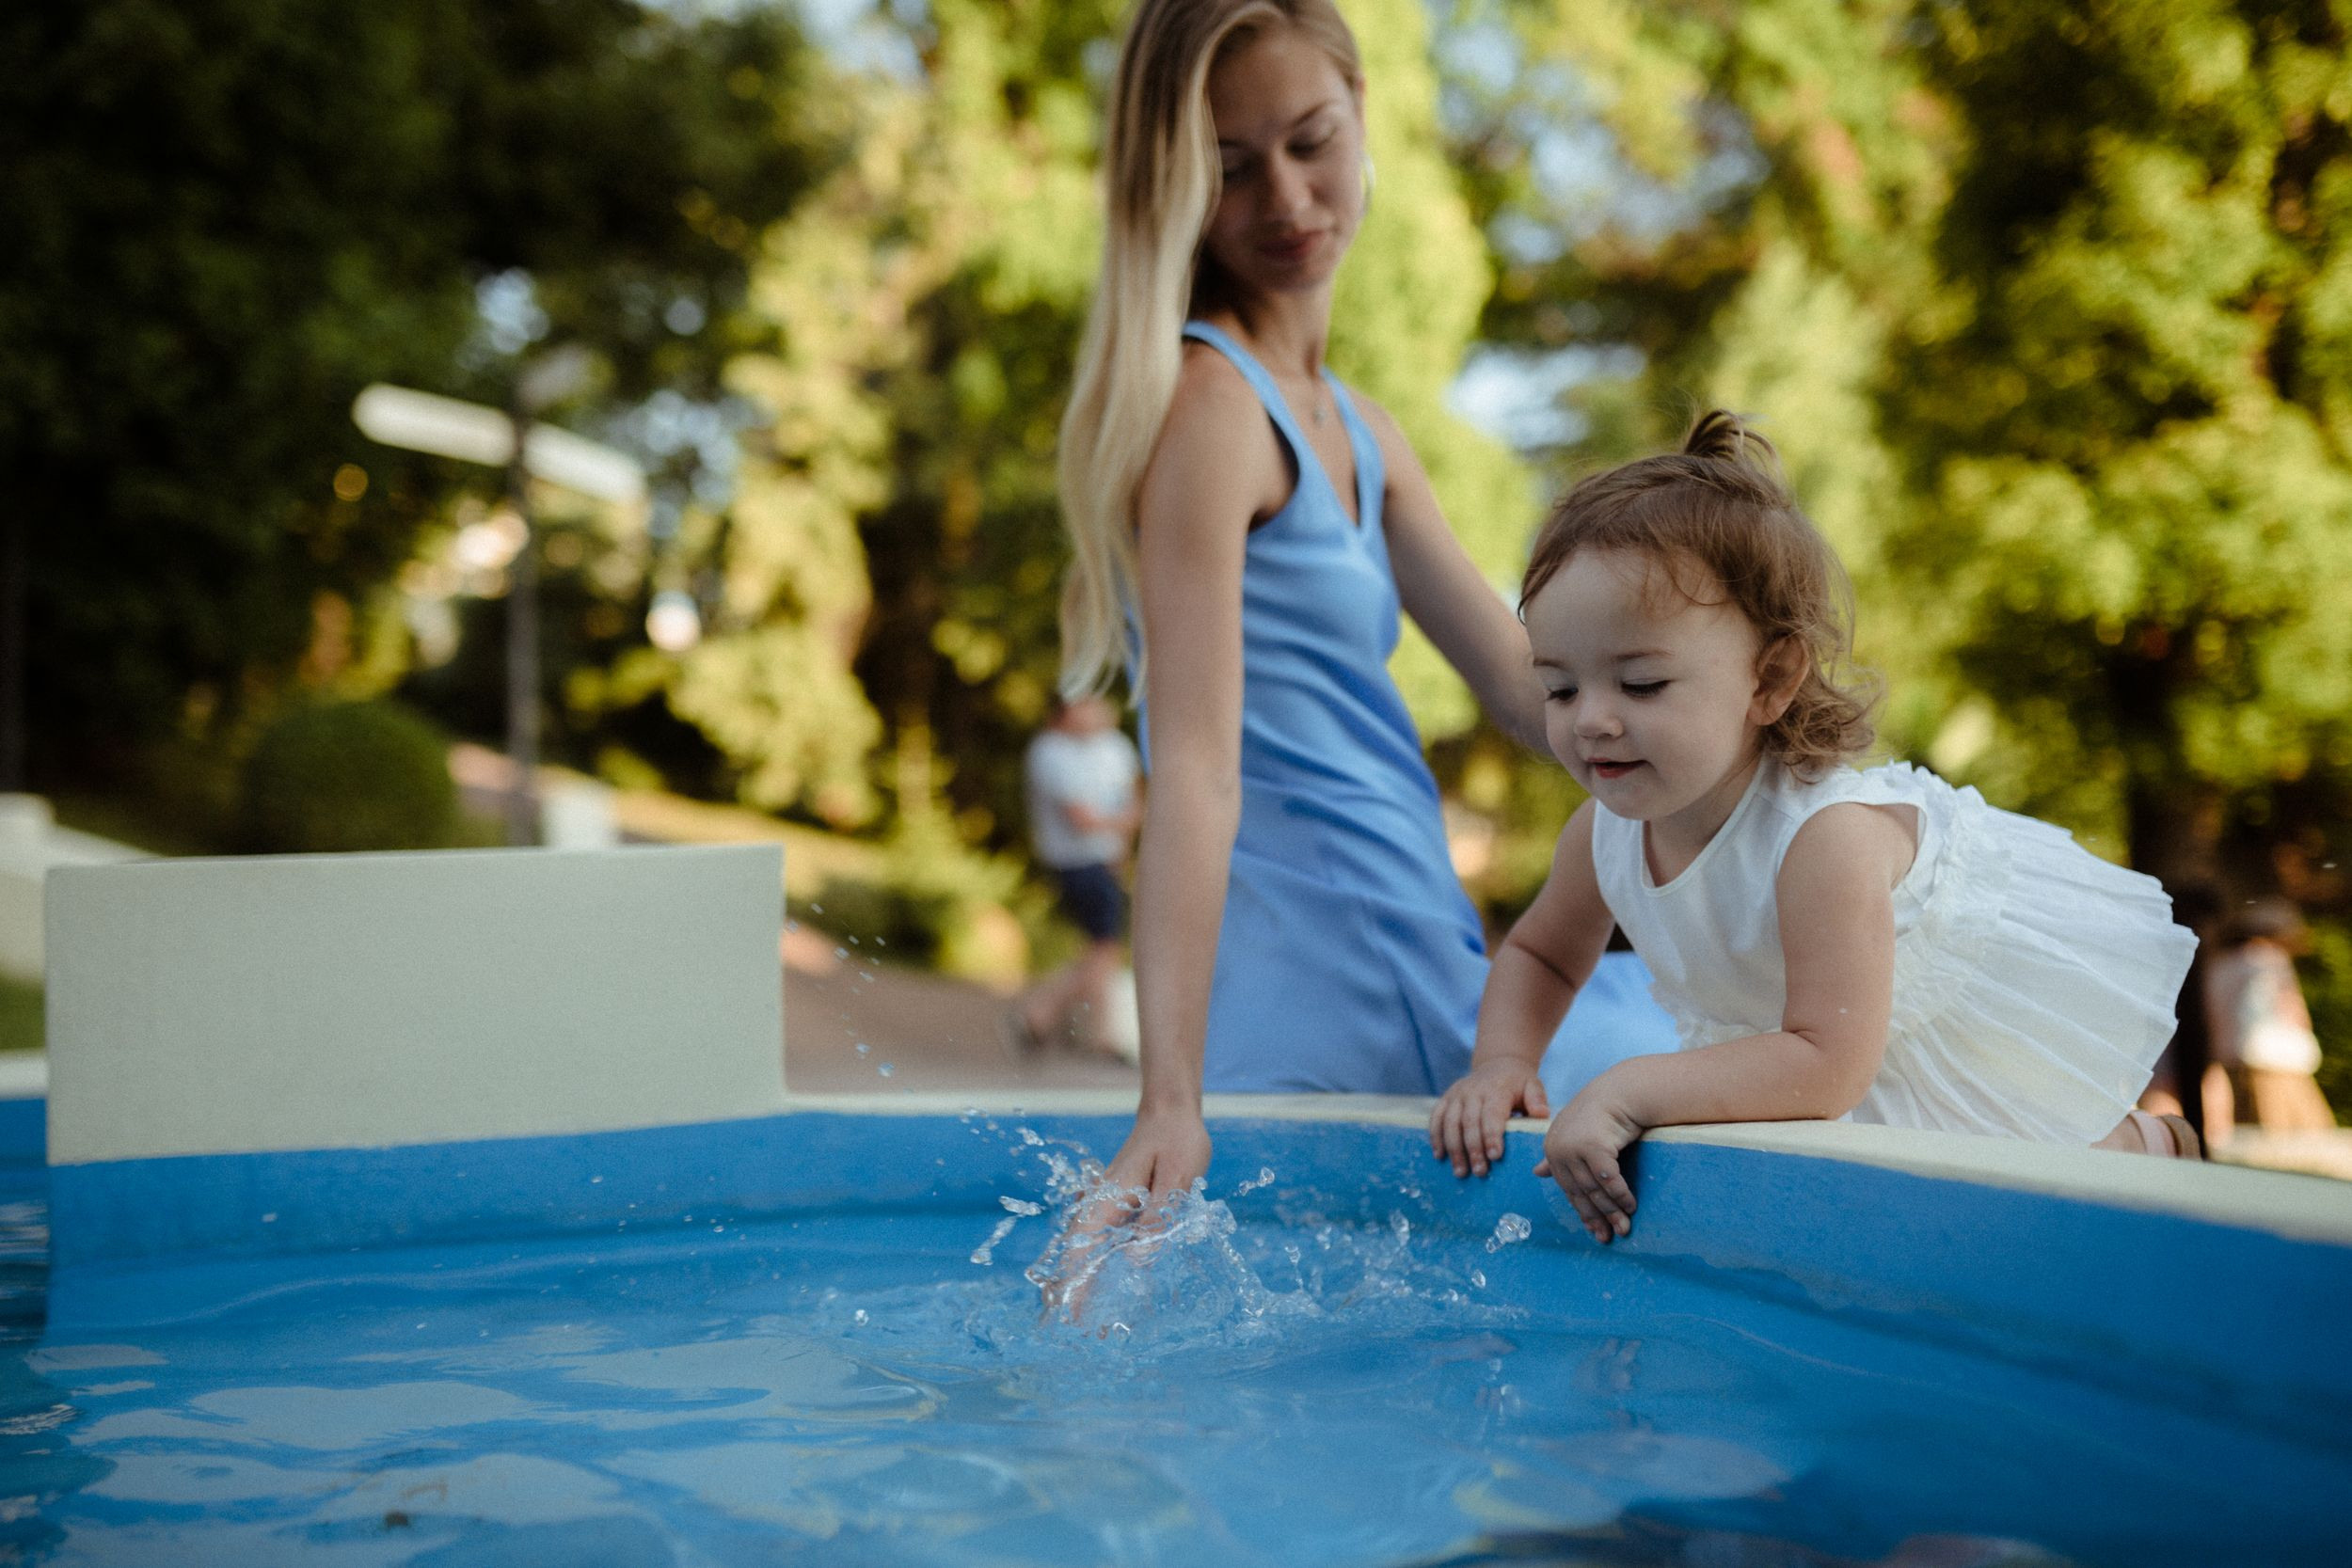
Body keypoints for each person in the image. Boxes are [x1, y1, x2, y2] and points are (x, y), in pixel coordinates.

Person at [1052, 0, 1677, 1212]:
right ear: (1174, 185)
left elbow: (1523, 683)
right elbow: (1193, 767)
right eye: (1231, 168)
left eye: (1311, 139)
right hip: (1340, 972)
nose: (1286, 198)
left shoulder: (1360, 425)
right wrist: (1166, 1096)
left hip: (1414, 940)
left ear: (1362, 118)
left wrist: (1746, 776)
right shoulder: (1209, 408)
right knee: (1714, 1061)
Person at [1429, 412, 2204, 1243]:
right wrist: (1503, 1066)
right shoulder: (1599, 834)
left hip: (1881, 1030)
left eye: (1642, 684)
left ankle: (2144, 1139)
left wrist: (1626, 1088)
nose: (1592, 721)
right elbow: (1543, 953)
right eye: (1560, 689)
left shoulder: (1826, 841)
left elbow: (1827, 1065)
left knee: (1999, 1184)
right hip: (1804, 1043)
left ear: (1770, 679)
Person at [1007, 694, 1142, 1055]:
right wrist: (1121, 825)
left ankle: (1095, 1033)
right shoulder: (1049, 751)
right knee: (1104, 949)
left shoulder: (1110, 746)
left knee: (1102, 949)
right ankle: (1040, 1016)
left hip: (1104, 861)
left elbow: (1130, 801)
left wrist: (1120, 845)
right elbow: (1082, 819)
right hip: (1077, 863)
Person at [2206, 897, 2337, 1133]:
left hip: (2230, 1063)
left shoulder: (2219, 965)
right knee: (2297, 1141)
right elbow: (2293, 1014)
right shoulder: (2270, 961)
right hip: (2277, 1065)